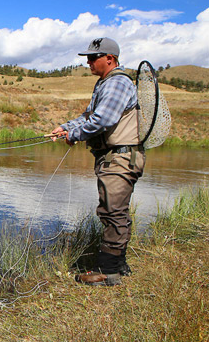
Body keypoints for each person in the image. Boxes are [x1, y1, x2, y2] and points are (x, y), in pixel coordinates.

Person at [51, 37, 145, 286]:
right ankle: (117, 265)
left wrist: (73, 135)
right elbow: (88, 116)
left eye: (93, 58)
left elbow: (102, 121)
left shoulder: (117, 84)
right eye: (88, 59)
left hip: (121, 157)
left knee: (112, 212)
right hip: (115, 157)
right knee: (114, 211)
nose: (89, 63)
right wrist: (66, 127)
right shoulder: (104, 84)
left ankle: (107, 272)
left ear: (110, 59)